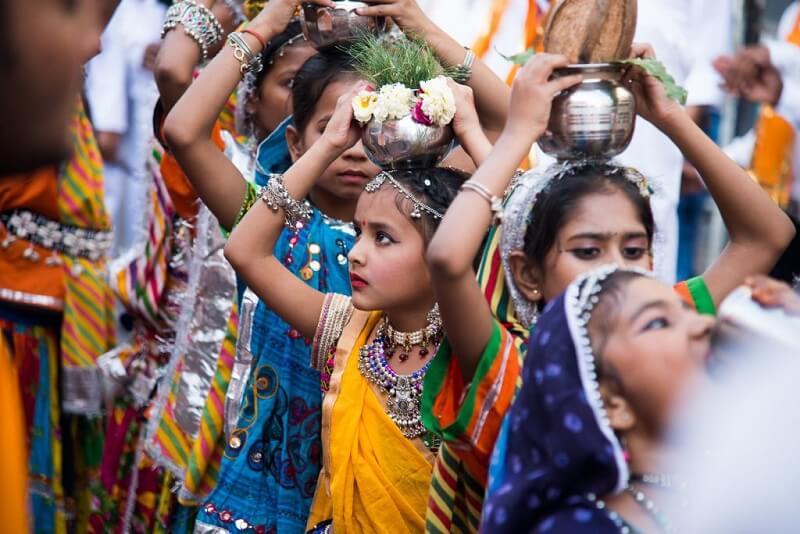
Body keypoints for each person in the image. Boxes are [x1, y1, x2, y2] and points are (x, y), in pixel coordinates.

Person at [421, 43, 795, 532]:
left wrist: (671, 119)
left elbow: (769, 235)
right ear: (528, 274)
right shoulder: (518, 368)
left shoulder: (670, 323)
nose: (616, 267)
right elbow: (448, 260)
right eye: (588, 251)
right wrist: (519, 132)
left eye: (634, 250)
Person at [482, 266, 715, 532]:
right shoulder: (576, 527)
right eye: (658, 322)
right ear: (611, 403)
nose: (705, 324)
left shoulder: (742, 483)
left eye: (691, 312)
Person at [86, 0, 169, 255]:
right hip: (114, 127)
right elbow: (107, 58)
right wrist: (107, 124)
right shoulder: (119, 9)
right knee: (106, 207)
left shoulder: (160, 10)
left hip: (149, 130)